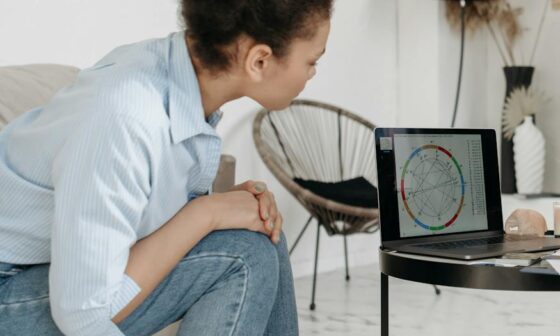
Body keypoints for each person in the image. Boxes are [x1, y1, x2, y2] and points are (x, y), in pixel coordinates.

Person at [0, 0, 333, 335]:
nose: (313, 73)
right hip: (11, 286)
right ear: (259, 60)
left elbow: (133, 208)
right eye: (312, 61)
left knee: (260, 231)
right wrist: (207, 214)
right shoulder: (127, 118)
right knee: (243, 255)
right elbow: (82, 313)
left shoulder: (177, 78)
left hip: (46, 269)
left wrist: (227, 208)